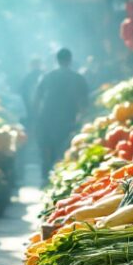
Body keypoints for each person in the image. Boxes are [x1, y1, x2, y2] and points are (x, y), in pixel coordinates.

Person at [34, 47, 90, 179]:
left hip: (47, 117)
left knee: (47, 148)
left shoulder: (48, 76)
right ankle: (58, 177)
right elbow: (84, 102)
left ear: (57, 60)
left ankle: (45, 177)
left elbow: (37, 97)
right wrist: (82, 118)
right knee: (63, 150)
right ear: (70, 60)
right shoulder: (78, 78)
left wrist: (36, 116)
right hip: (67, 118)